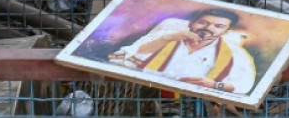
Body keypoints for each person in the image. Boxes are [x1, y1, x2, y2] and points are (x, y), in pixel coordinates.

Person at [108, 8, 256, 94]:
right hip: (137, 89)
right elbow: (118, 56)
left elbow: (245, 85)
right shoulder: (165, 35)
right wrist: (166, 39)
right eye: (203, 22)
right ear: (192, 23)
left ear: (226, 32)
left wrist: (214, 85)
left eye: (218, 26)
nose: (208, 28)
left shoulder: (236, 55)